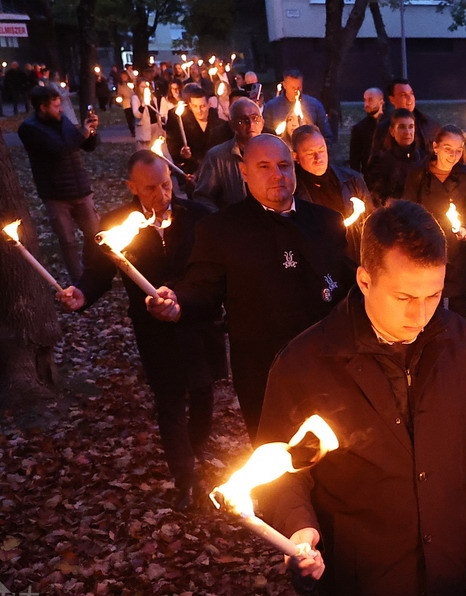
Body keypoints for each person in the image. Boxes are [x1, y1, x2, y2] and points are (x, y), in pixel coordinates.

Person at [257, 200, 466, 596]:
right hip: (367, 583)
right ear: (364, 280)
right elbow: (280, 469)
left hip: (445, 566)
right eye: (403, 298)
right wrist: (298, 527)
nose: (420, 315)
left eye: (434, 295)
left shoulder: (459, 341)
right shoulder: (306, 363)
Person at [146, 135, 355, 437]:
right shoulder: (220, 230)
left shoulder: (326, 222)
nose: (277, 175)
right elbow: (202, 289)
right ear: (244, 172)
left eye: (284, 165)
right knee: (275, 451)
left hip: (327, 362)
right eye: (264, 166)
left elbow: (350, 284)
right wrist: (178, 303)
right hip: (263, 369)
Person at [56, 151, 224, 512]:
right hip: (154, 328)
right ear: (132, 187)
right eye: (150, 188)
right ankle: (185, 477)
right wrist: (82, 293)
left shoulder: (199, 216)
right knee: (169, 398)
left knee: (203, 391)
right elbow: (98, 273)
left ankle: (199, 447)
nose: (161, 194)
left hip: (198, 319)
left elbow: (214, 271)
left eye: (166, 184)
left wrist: (185, 298)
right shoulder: (115, 226)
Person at [17, 84, 101, 283]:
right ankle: (79, 281)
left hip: (80, 189)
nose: (61, 109)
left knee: (96, 235)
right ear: (42, 107)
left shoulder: (63, 121)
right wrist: (82, 135)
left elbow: (85, 146)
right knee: (68, 241)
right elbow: (57, 150)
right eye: (56, 106)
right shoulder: (29, 129)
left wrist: (91, 132)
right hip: (56, 195)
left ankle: (96, 272)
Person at [401, 125, 466, 317]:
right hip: (427, 248)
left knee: (459, 308)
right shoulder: (419, 173)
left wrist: (465, 229)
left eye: (458, 150)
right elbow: (408, 211)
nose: (453, 155)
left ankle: (458, 336)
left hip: (456, 251)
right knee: (432, 305)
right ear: (435, 147)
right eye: (448, 149)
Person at [192, 97, 264, 210]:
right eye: (242, 120)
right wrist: (222, 218)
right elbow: (203, 197)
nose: (250, 124)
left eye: (255, 118)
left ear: (262, 122)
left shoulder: (275, 153)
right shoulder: (217, 157)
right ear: (232, 125)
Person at [291, 124, 371, 222]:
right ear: (296, 156)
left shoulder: (352, 180)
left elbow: (372, 221)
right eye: (310, 153)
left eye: (321, 150)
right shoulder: (291, 193)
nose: (318, 158)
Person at [167, 82, 233, 176]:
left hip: (217, 173)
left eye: (202, 106)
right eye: (195, 106)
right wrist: (182, 154)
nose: (199, 110)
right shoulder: (182, 126)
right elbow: (174, 149)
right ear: (190, 106)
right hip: (193, 174)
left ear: (209, 104)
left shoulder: (221, 125)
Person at [364, 108, 427, 206]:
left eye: (411, 127)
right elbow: (375, 196)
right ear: (392, 131)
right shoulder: (380, 161)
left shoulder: (423, 158)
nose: (407, 132)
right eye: (402, 127)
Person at [370, 79, 440, 159]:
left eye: (411, 93)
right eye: (403, 95)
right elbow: (376, 159)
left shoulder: (431, 125)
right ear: (392, 99)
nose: (409, 98)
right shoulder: (383, 128)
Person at [262, 69, 334, 145]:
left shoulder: (315, 105)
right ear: (285, 85)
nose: (296, 91)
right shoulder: (272, 107)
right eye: (293, 88)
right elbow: (267, 137)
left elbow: (326, 135)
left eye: (299, 87)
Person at [348, 87, 384, 174]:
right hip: (370, 176)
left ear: (381, 102)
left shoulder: (392, 124)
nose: (366, 104)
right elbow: (354, 159)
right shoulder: (359, 129)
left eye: (370, 100)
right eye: (365, 100)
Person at [130, 79, 158, 149]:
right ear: (138, 87)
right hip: (144, 129)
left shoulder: (153, 98)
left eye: (146, 87)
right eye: (142, 87)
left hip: (155, 127)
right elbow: (137, 115)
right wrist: (142, 105)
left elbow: (156, 112)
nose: (144, 89)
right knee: (144, 150)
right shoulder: (135, 98)